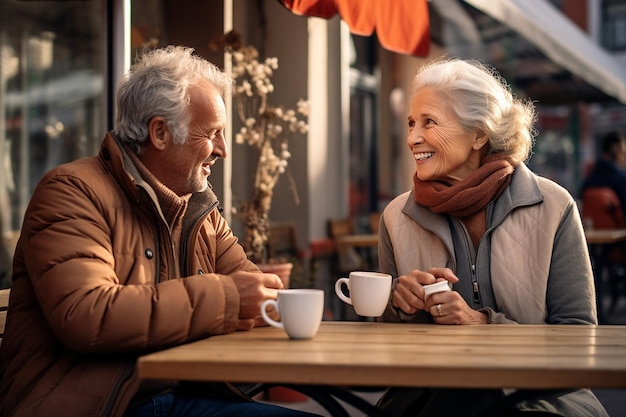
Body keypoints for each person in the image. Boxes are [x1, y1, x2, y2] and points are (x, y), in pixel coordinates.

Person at [0, 45, 320, 417]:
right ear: (160, 132)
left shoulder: (198, 207)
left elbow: (254, 290)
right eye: (212, 133)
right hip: (101, 406)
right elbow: (87, 314)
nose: (223, 150)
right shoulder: (71, 191)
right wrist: (227, 299)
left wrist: (253, 298)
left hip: (181, 398)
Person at [376, 58, 608, 417]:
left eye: (429, 122)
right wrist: (400, 306)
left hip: (541, 398)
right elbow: (385, 349)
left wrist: (483, 324)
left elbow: (577, 339)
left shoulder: (553, 206)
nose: (412, 138)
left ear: (479, 135)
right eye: (410, 123)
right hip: (429, 399)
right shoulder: (396, 217)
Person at [581, 130, 626, 218]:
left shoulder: (588, 182)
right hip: (620, 231)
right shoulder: (622, 181)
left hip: (591, 231)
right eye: (623, 152)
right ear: (617, 148)